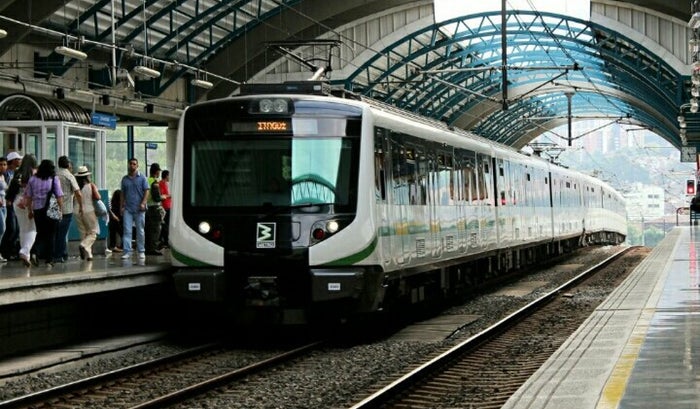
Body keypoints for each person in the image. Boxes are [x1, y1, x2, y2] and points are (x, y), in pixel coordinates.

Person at [24, 159, 63, 267]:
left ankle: (34, 252)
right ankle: (49, 260)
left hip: (37, 210)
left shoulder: (32, 179)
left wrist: (30, 210)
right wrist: (60, 210)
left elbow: (29, 197)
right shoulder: (54, 178)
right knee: (51, 235)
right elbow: (59, 195)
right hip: (51, 210)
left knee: (40, 233)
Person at [7, 154, 37, 267]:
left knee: (23, 228)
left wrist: (9, 199)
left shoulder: (17, 172)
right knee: (33, 228)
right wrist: (31, 209)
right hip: (29, 203)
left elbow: (12, 188)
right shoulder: (34, 174)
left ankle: (26, 255)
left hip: (17, 202)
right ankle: (25, 251)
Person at [53, 156, 83, 263]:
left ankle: (63, 254)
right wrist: (81, 206)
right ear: (68, 164)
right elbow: (78, 193)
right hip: (66, 209)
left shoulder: (54, 174)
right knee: (62, 234)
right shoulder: (69, 176)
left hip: (53, 209)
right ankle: (58, 255)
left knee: (56, 233)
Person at [120, 158, 149, 260]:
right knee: (127, 230)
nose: (132, 165)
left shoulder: (142, 178)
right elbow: (122, 193)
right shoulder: (125, 179)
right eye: (130, 164)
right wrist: (121, 206)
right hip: (128, 208)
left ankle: (141, 251)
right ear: (128, 165)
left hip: (139, 209)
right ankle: (127, 251)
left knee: (140, 231)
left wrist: (143, 203)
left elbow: (147, 191)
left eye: (134, 164)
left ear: (137, 166)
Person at [73, 166, 99, 261]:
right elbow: (98, 197)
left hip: (76, 211)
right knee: (93, 233)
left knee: (83, 233)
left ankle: (89, 255)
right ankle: (83, 245)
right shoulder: (91, 185)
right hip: (89, 210)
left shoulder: (75, 187)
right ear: (87, 176)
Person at [0, 151, 21, 260]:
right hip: (6, 204)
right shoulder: (6, 174)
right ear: (13, 161)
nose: (20, 161)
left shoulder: (15, 173)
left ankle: (11, 250)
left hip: (11, 203)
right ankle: (5, 251)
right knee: (9, 228)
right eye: (18, 159)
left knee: (16, 229)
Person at [145, 162, 165, 255]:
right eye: (159, 171)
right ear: (157, 172)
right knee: (155, 229)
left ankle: (147, 248)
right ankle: (153, 248)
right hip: (154, 208)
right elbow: (156, 198)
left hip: (147, 208)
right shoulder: (155, 183)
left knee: (148, 229)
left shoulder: (146, 180)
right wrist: (163, 197)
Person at [158, 169, 171, 249]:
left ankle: (162, 240)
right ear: (166, 176)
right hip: (165, 207)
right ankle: (164, 241)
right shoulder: (161, 183)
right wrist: (169, 196)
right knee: (165, 225)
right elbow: (162, 196)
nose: (169, 177)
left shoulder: (165, 184)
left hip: (168, 206)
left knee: (165, 224)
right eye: (169, 175)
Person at [0, 157, 8, 262]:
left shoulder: (3, 176)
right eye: (1, 164)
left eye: (4, 164)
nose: (3, 167)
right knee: (2, 228)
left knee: (2, 229)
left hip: (4, 205)